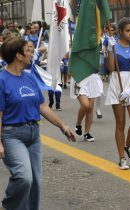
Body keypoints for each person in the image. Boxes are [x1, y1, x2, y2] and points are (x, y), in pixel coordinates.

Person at [0, 37, 75, 210]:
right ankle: (9, 206)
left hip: (33, 134)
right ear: (18, 56)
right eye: (28, 50)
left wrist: (62, 126)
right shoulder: (2, 80)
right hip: (12, 135)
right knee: (24, 177)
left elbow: (42, 106)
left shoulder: (29, 77)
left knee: (36, 182)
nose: (31, 52)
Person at [105, 17, 130, 170]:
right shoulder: (114, 46)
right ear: (120, 31)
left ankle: (128, 145)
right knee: (120, 124)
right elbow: (111, 69)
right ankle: (122, 158)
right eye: (128, 31)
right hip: (117, 86)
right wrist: (109, 50)